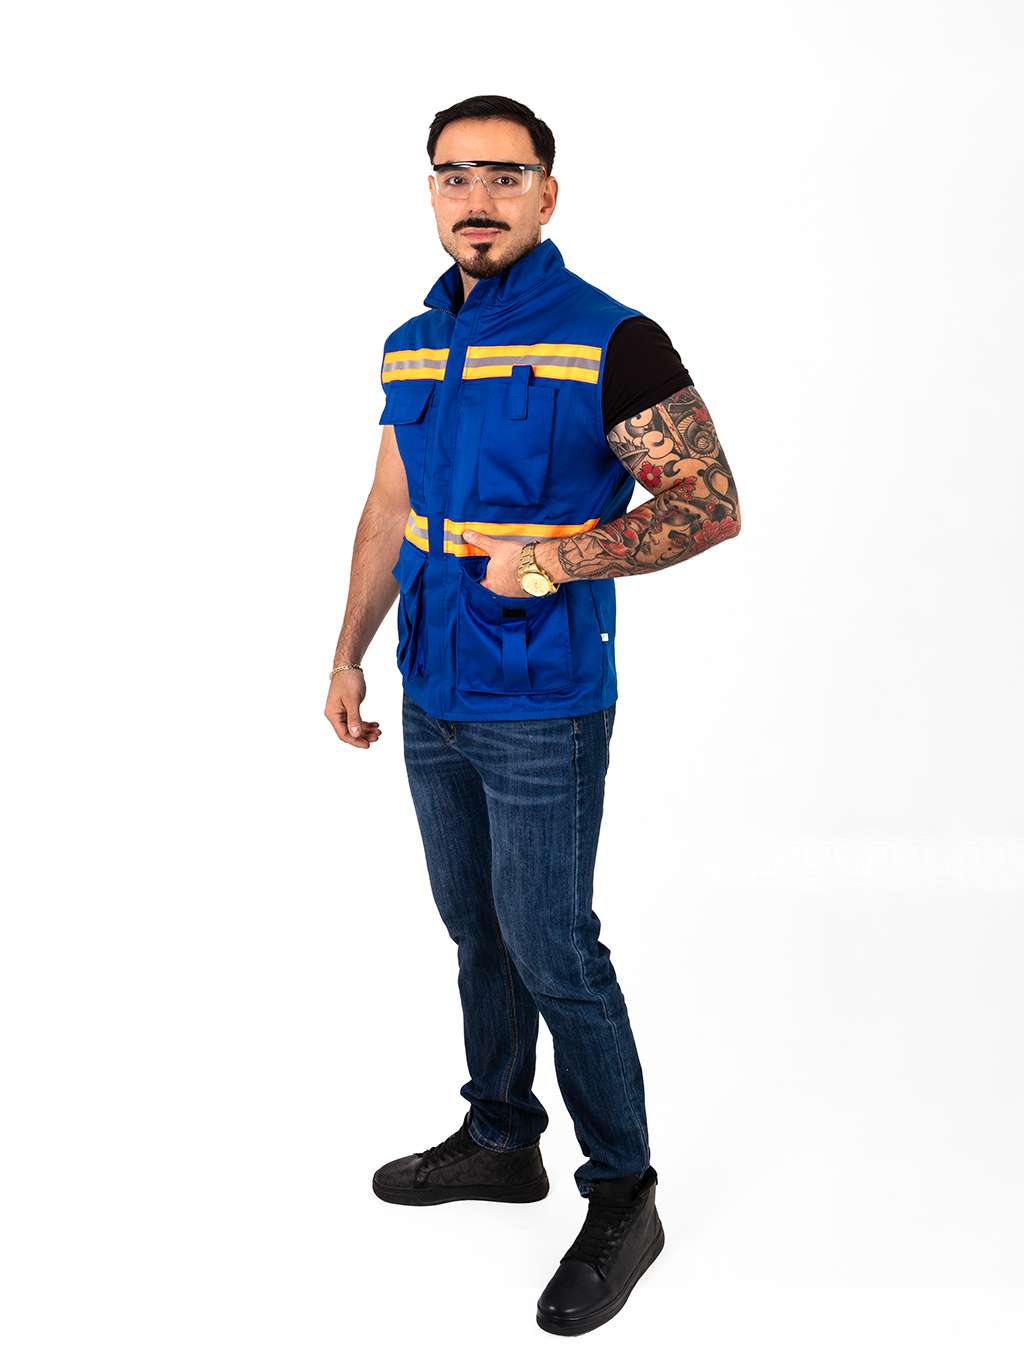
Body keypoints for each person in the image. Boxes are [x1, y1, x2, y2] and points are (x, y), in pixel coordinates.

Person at [324, 94, 742, 1336]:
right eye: (454, 175)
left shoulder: (610, 336)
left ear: (546, 195)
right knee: (477, 929)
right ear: (431, 192)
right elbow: (389, 508)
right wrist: (345, 654)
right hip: (432, 680)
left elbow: (708, 503)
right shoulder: (411, 342)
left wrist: (555, 560)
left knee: (553, 941)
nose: (477, 198)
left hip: (543, 694)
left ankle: (623, 1195)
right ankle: (502, 1138)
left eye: (504, 176)